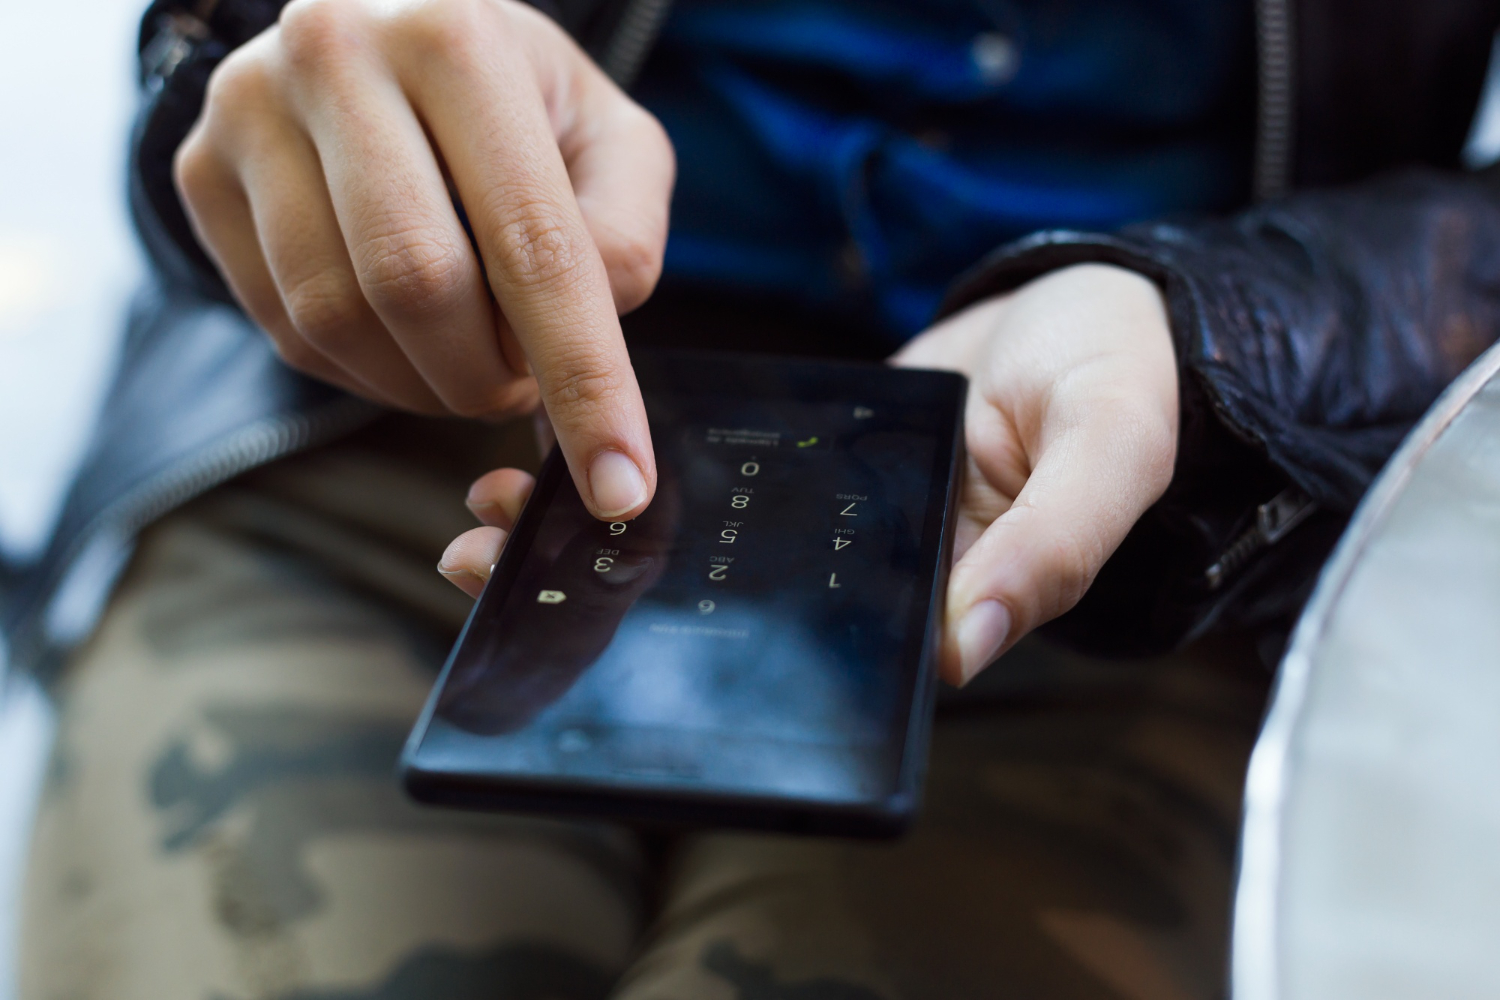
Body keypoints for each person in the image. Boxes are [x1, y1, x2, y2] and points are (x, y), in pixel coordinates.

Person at [7, 0, 1500, 996]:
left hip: (1116, 536)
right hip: (399, 442)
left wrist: (1220, 336)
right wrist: (285, 79)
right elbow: (217, 83)